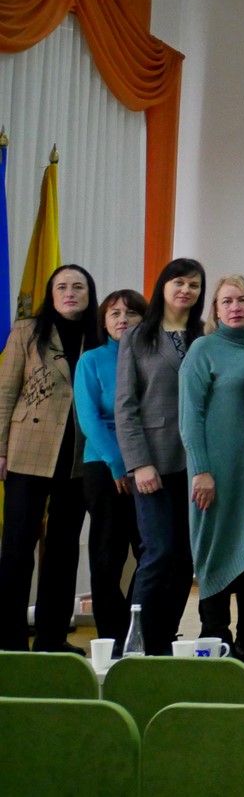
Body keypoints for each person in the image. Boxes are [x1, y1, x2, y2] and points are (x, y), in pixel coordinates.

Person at [0, 265, 101, 653]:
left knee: (62, 549)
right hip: (28, 451)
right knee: (17, 546)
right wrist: (0, 449)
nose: (70, 292)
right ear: (51, 293)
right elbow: (5, 392)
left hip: (78, 455)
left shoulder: (98, 334)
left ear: (90, 293)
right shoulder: (27, 330)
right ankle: (8, 637)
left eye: (78, 286)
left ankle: (52, 638)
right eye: (62, 287)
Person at [117, 258, 205, 655]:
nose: (186, 290)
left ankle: (164, 641)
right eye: (179, 282)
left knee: (185, 557)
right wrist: (138, 463)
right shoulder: (138, 337)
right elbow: (125, 405)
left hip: (198, 464)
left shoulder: (204, 334)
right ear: (163, 286)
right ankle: (135, 643)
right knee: (159, 551)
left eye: (194, 285)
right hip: (154, 461)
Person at [179, 274, 244, 660]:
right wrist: (201, 470)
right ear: (215, 309)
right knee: (213, 548)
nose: (235, 307)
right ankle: (215, 639)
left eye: (243, 300)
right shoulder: (203, 349)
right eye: (227, 301)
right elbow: (190, 416)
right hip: (214, 475)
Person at [74, 288, 147, 651]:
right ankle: (112, 636)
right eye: (114, 313)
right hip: (105, 468)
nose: (123, 319)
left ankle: (139, 628)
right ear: (104, 322)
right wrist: (119, 463)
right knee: (108, 555)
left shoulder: (152, 357)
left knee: (151, 552)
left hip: (148, 466)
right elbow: (89, 419)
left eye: (131, 313)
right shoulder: (91, 360)